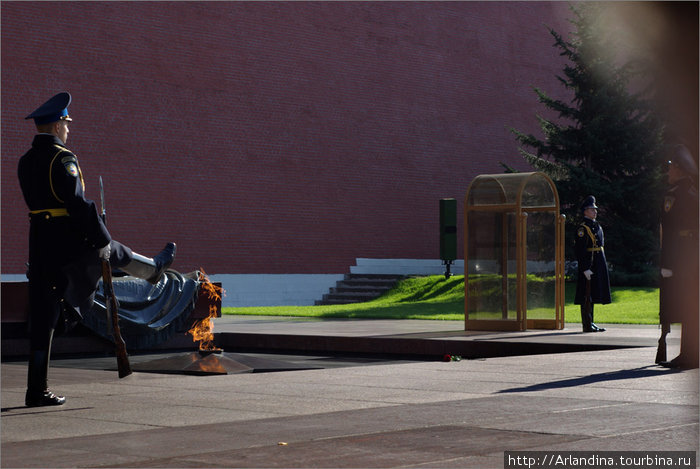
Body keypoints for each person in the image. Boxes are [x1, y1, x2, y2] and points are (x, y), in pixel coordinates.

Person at [18, 92, 177, 407]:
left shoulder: (26, 160)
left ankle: (36, 390)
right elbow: (78, 205)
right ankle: (152, 270)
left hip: (40, 242)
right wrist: (100, 238)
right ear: (55, 125)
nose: (68, 128)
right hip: (68, 241)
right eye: (66, 122)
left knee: (44, 315)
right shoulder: (62, 158)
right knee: (113, 250)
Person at [658, 144, 699, 369]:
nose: (668, 171)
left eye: (671, 167)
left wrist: (666, 263)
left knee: (685, 303)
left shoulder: (672, 197)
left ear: (681, 170)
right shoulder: (695, 193)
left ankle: (688, 355)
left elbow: (669, 231)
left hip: (681, 257)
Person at [573, 195, 611, 332]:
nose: (595, 211)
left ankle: (591, 321)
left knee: (593, 293)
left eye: (595, 209)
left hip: (597, 264)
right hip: (589, 265)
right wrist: (585, 268)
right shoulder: (582, 229)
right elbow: (580, 250)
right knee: (586, 294)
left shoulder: (596, 225)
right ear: (585, 211)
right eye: (591, 209)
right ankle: (587, 324)